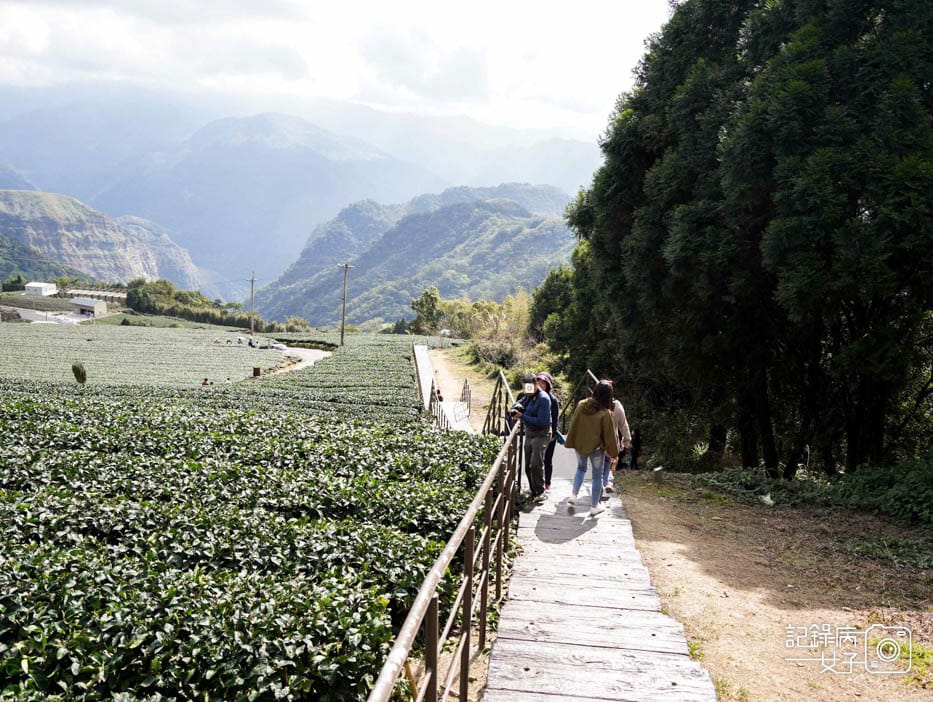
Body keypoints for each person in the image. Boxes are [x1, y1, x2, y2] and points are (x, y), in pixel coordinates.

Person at [565, 380, 619, 517]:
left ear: (594, 391)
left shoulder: (581, 404)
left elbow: (574, 423)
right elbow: (609, 435)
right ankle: (594, 506)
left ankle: (574, 495)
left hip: (580, 446)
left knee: (581, 468)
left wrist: (571, 441)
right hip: (596, 449)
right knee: (597, 476)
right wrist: (614, 453)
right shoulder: (604, 412)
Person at [513, 373, 552, 504]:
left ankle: (540, 491)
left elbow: (542, 421)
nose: (527, 392)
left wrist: (522, 416)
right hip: (529, 432)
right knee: (527, 465)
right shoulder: (528, 395)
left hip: (541, 433)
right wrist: (515, 407)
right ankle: (534, 490)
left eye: (529, 388)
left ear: (536, 385)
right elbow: (521, 402)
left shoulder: (543, 399)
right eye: (525, 389)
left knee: (536, 463)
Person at [602, 382, 632, 494]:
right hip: (612, 442)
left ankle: (601, 484)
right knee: (609, 463)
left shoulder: (596, 406)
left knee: (599, 465)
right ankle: (608, 482)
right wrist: (627, 439)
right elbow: (623, 424)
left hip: (599, 442)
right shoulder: (617, 405)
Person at [536, 372, 560, 492]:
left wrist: (553, 434)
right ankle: (537, 483)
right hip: (536, 433)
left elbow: (555, 419)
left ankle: (547, 482)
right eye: (538, 382)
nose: (540, 385)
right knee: (536, 460)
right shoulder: (532, 398)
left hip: (549, 433)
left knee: (547, 459)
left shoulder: (553, 400)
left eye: (543, 383)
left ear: (548, 385)